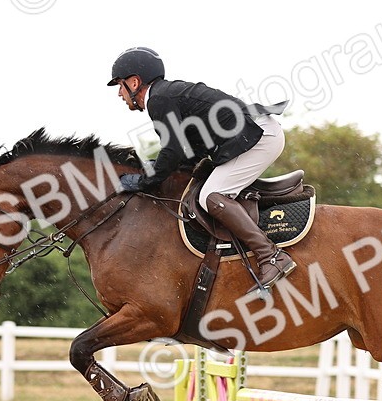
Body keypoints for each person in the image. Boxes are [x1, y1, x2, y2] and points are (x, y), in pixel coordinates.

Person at [108, 46, 296, 293]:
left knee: (211, 197)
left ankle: (271, 256)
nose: (120, 94)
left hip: (259, 136)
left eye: (120, 86)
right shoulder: (167, 95)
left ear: (134, 82)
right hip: (255, 133)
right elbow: (188, 150)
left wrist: (144, 182)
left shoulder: (159, 100)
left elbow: (173, 149)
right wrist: (157, 168)